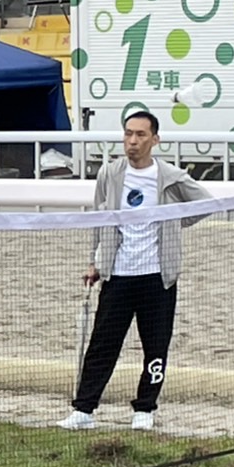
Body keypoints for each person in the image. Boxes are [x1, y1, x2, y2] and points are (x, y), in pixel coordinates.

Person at [59, 112, 212, 433]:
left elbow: (205, 204)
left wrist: (174, 224)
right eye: (128, 133)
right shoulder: (110, 173)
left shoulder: (171, 176)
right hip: (118, 274)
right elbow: (100, 220)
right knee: (102, 345)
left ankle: (145, 408)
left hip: (157, 276)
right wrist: (95, 262)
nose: (133, 141)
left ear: (155, 139)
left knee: (155, 346)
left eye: (141, 135)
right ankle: (84, 408)